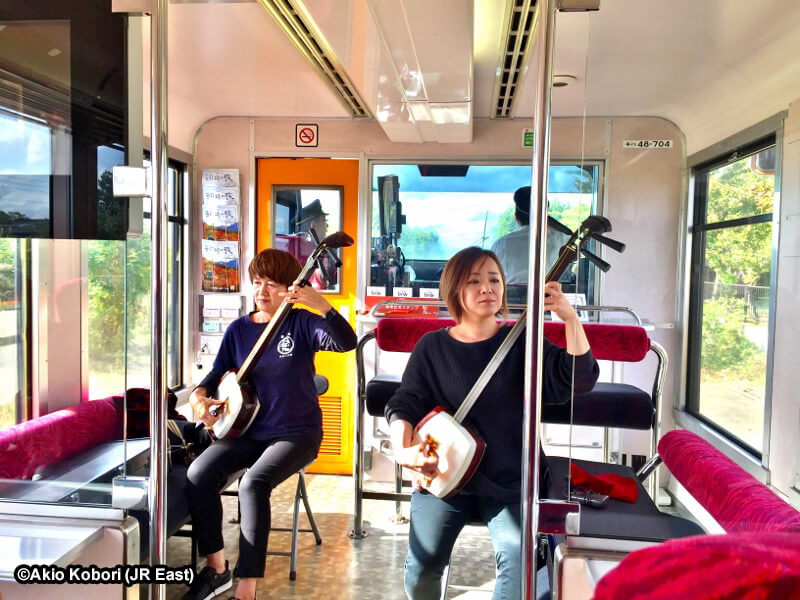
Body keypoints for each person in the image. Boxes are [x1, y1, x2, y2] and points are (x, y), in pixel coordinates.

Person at [385, 246, 599, 599]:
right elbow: (403, 404)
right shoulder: (431, 347)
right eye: (474, 281)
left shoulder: (522, 342)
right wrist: (403, 451)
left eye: (494, 279)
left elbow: (579, 378)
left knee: (519, 569)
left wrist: (570, 319)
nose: (487, 288)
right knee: (422, 567)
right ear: (455, 289)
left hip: (509, 479)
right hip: (444, 477)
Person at [183, 248, 357, 600]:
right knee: (198, 474)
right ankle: (217, 569)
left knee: (253, 484)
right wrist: (198, 398)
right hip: (247, 432)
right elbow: (216, 375)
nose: (263, 290)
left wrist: (320, 304)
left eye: (274, 283)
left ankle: (247, 590)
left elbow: (346, 341)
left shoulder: (303, 323)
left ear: (291, 288)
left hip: (297, 434)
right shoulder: (238, 330)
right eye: (258, 281)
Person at [491, 186, 570, 302]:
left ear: (516, 217)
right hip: (549, 300)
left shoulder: (500, 244)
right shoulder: (563, 239)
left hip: (510, 302)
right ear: (546, 216)